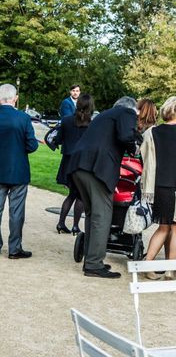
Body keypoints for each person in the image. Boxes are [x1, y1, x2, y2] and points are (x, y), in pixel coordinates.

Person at [67, 96, 138, 278]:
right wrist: (134, 148)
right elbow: (125, 136)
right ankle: (93, 264)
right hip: (97, 168)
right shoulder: (127, 111)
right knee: (103, 215)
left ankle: (91, 260)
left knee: (92, 214)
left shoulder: (105, 115)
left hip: (79, 164)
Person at [0, 84, 38, 259]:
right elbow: (32, 145)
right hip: (18, 169)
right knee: (16, 212)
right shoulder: (23, 118)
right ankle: (14, 248)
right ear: (15, 98)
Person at [140, 96, 176, 279]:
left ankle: (148, 265)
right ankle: (170, 269)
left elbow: (145, 157)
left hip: (160, 185)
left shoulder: (152, 132)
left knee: (163, 227)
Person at [54, 94, 94, 235]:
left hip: (67, 161)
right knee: (81, 196)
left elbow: (58, 139)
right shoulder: (92, 124)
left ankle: (61, 223)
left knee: (72, 194)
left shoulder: (66, 120)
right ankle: (75, 225)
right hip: (82, 163)